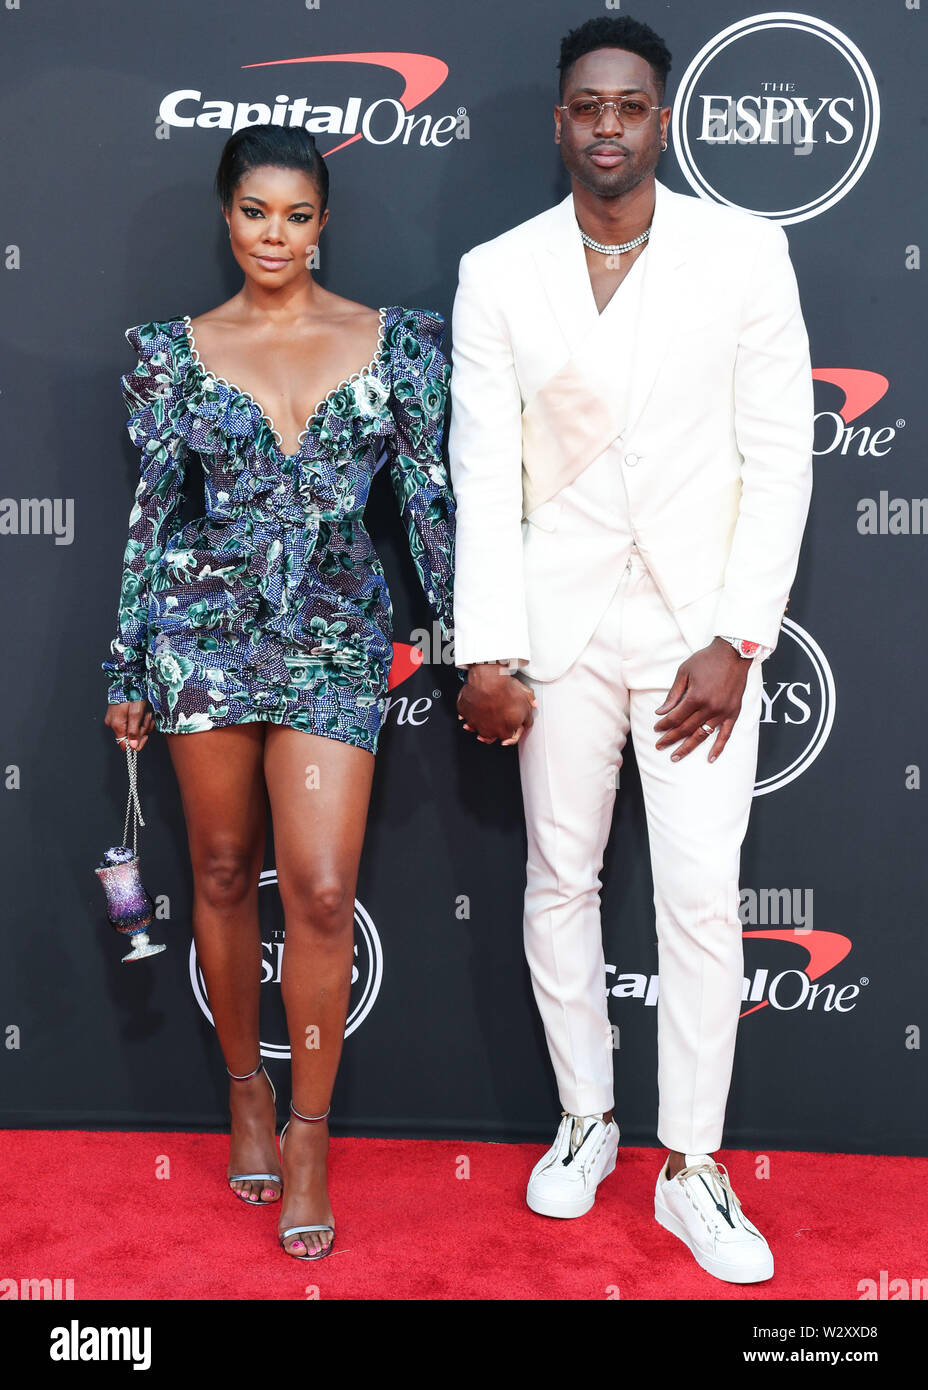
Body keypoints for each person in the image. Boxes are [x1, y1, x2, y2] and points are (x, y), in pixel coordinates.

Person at [449, 15, 813, 1284]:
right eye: (587, 106)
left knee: (703, 896)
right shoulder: (498, 271)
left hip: (696, 636)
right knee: (560, 877)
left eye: (631, 106)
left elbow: (780, 455)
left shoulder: (745, 252)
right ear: (560, 123)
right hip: (556, 631)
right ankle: (587, 1119)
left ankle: (694, 1165)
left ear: (663, 119)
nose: (609, 124)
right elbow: (481, 471)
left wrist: (737, 635)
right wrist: (485, 648)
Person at [102, 124, 455, 1260]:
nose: (275, 235)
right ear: (227, 215)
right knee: (215, 869)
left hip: (336, 639)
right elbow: (150, 519)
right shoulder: (170, 351)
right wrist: (126, 664)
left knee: (314, 883)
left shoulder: (395, 343)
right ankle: (244, 1091)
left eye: (297, 215)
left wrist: (467, 641)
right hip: (199, 640)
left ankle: (309, 1132)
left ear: (323, 222)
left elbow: (430, 512)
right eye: (256, 212)